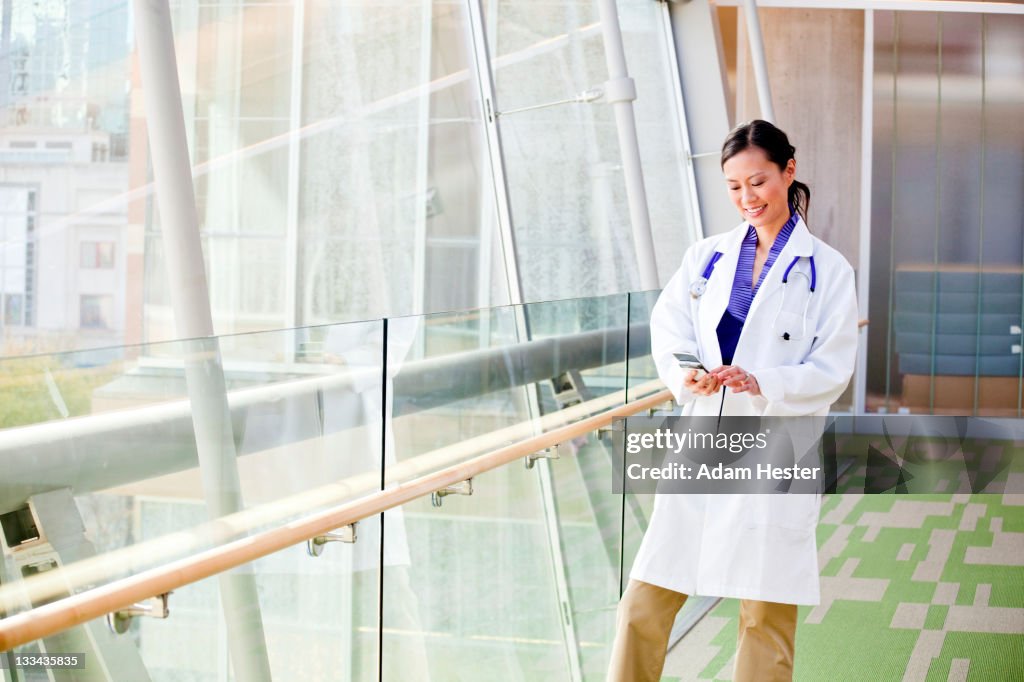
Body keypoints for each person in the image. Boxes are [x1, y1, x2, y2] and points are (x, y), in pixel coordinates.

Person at [607, 120, 859, 682]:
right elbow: (669, 329)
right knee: (646, 600)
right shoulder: (707, 257)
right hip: (702, 443)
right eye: (734, 186)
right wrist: (687, 374)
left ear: (788, 172)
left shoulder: (829, 273)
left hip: (775, 449)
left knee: (763, 615)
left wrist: (761, 380)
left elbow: (832, 368)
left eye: (759, 181)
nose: (748, 197)